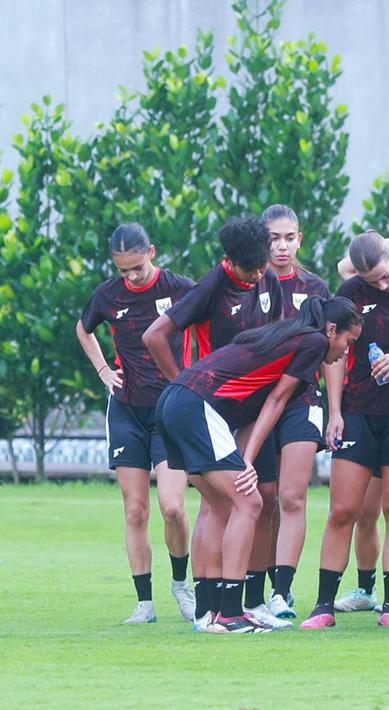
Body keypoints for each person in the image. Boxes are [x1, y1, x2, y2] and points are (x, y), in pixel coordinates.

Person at [156, 296, 362, 632]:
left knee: (219, 506)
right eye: (348, 342)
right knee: (249, 501)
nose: (345, 352)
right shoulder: (312, 342)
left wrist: (245, 457)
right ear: (332, 330)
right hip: (195, 406)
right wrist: (248, 461)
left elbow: (255, 408)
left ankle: (208, 613)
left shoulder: (288, 337)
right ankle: (231, 613)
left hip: (176, 401)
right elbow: (276, 400)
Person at [144, 216, 285, 630]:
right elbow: (155, 335)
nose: (258, 274)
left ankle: (247, 605)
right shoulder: (211, 287)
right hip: (213, 410)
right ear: (229, 261)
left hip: (250, 408)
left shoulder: (268, 281)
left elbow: (272, 338)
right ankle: (214, 609)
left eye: (262, 267)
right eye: (250, 269)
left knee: (256, 498)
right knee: (225, 504)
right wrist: (184, 386)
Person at [300, 231, 389, 630]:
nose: (383, 285)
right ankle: (323, 605)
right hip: (358, 412)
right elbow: (335, 355)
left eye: (386, 276)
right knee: (343, 510)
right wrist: (335, 411)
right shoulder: (350, 291)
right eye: (373, 281)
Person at [76, 223, 196, 625]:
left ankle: (182, 583)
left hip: (170, 411)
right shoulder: (108, 295)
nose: (131, 277)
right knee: (135, 511)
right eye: (123, 270)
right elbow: (84, 327)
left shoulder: (180, 288)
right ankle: (144, 603)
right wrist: (102, 370)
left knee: (174, 507)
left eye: (138, 268)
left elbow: (209, 326)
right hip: (126, 409)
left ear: (153, 253)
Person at [258, 204, 335, 620]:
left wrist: (335, 410)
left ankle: (281, 593)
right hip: (255, 405)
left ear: (300, 239)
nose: (282, 246)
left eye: (289, 237)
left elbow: (331, 356)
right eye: (273, 238)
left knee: (291, 496)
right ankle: (255, 586)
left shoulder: (317, 288)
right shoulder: (249, 284)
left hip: (302, 403)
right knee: (262, 498)